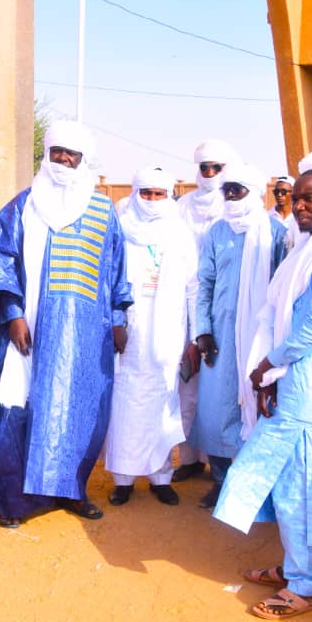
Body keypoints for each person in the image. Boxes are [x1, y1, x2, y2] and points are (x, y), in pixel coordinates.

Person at [214, 168, 312, 620]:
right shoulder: (308, 246)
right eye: (295, 198)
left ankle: (302, 586)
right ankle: (296, 568)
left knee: (299, 482)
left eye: (309, 199)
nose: (298, 206)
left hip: (309, 386)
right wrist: (273, 375)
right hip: (292, 382)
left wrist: (270, 364)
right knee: (287, 479)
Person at [0, 120, 132, 526]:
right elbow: (1, 262)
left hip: (87, 335)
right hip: (30, 331)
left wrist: (119, 318)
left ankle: (72, 490)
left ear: (84, 160)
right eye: (57, 152)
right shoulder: (24, 205)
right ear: (46, 155)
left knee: (81, 413)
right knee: (17, 411)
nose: (64, 159)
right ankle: (17, 503)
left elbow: (116, 269)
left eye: (73, 154)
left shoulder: (102, 209)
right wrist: (13, 314)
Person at [188, 163, 288, 509]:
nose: (229, 195)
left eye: (237, 189)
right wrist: (201, 331)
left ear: (254, 192)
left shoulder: (275, 233)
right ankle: (220, 481)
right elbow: (204, 283)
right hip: (219, 335)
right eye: (226, 189)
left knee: (258, 408)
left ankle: (251, 484)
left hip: (260, 336)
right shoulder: (217, 232)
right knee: (215, 411)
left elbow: (281, 287)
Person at [104, 167, 198, 507]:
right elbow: (109, 279)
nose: (153, 200)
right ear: (135, 192)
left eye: (160, 194)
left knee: (163, 402)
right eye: (147, 193)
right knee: (125, 404)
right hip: (129, 332)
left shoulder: (179, 233)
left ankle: (161, 478)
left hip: (169, 333)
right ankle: (123, 479)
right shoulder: (119, 229)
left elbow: (193, 287)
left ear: (168, 195)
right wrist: (115, 322)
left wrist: (195, 336)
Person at [171, 138, 242, 484]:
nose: (210, 174)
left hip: (222, 306)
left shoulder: (234, 207)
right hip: (184, 301)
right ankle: (188, 457)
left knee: (215, 387)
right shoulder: (182, 205)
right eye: (205, 167)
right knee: (186, 381)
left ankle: (216, 458)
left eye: (217, 168)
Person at [268, 175, 295, 248]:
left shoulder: (298, 218)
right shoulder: (267, 218)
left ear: (293, 193)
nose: (279, 195)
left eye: (283, 192)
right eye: (276, 192)